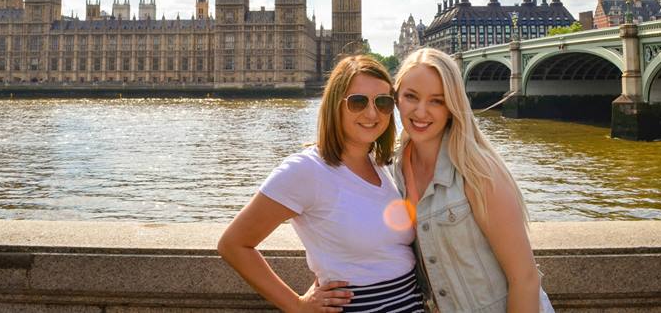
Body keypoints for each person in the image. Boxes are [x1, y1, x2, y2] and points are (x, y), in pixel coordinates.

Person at [218, 55, 426, 312]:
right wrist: (296, 305)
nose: (372, 113)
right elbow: (233, 244)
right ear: (334, 106)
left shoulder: (382, 165)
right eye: (358, 102)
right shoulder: (305, 170)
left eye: (383, 103)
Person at [393, 47, 554, 313]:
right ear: (396, 97)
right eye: (411, 96)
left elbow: (524, 280)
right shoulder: (392, 168)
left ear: (452, 106)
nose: (421, 112)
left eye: (437, 100)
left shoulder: (477, 170)